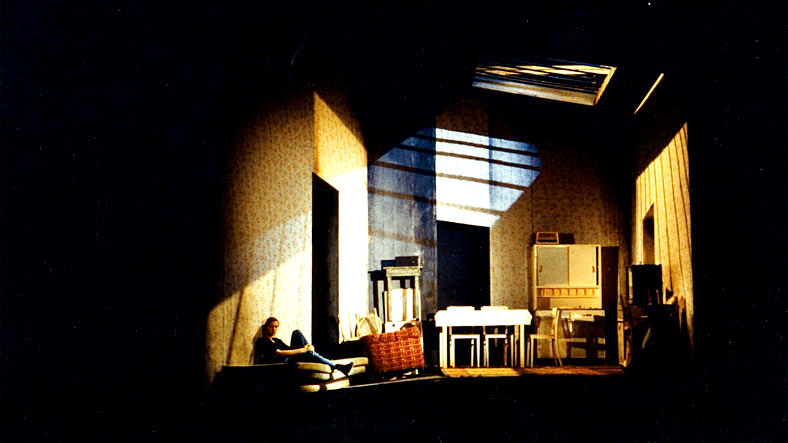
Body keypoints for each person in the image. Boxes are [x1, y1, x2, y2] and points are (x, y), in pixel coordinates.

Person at [254, 316, 353, 376]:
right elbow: (279, 353)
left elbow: (289, 349)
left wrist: (307, 346)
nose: (274, 329)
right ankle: (337, 366)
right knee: (308, 353)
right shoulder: (263, 341)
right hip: (285, 361)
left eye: (276, 327)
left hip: (291, 357)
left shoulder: (277, 340)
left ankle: (311, 352)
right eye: (271, 326)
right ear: (266, 327)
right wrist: (303, 350)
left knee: (296, 333)